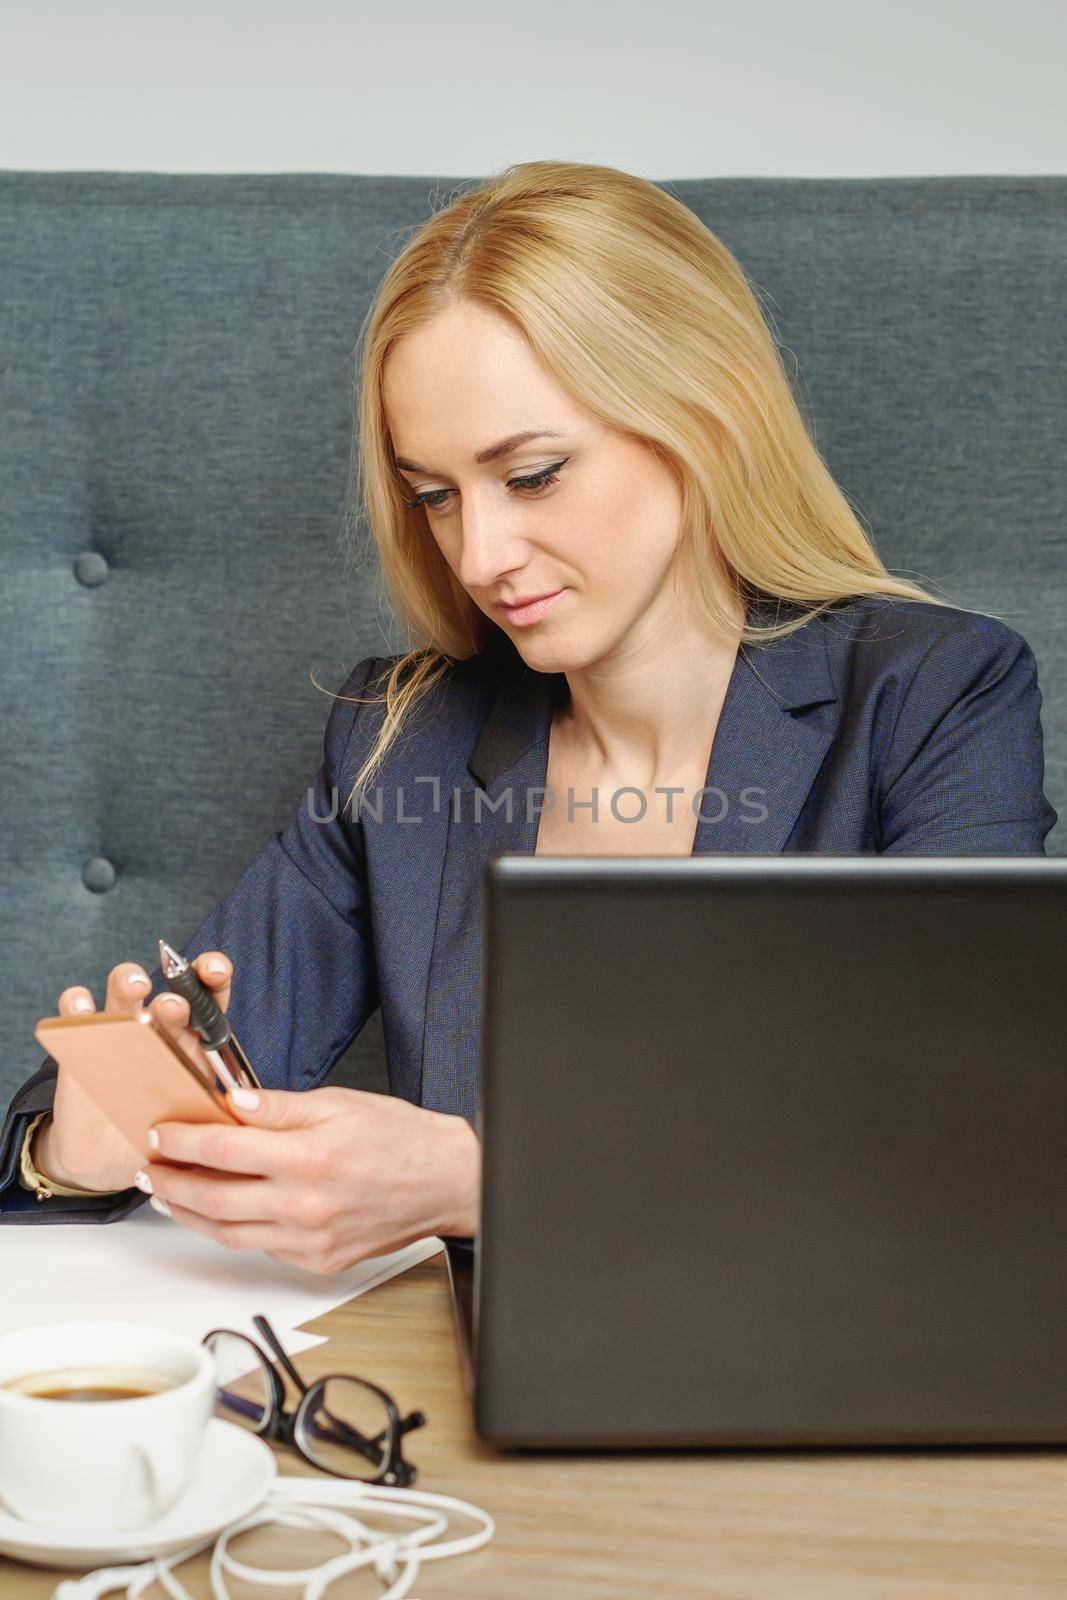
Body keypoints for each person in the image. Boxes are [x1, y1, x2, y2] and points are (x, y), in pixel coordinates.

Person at [0, 160, 1056, 1265]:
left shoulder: (932, 694)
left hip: (826, 1386)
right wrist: (78, 1144)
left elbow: (973, 1141)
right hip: (464, 1405)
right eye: (435, 496)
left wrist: (477, 1182)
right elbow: (146, 1087)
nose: (480, 557)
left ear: (701, 415)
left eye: (535, 473)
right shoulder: (400, 741)